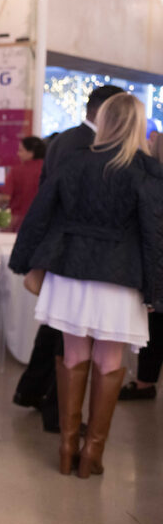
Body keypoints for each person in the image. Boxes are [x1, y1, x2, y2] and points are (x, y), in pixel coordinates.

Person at [9, 93, 163, 479]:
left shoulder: (76, 160)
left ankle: (66, 448)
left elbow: (41, 211)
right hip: (120, 275)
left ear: (105, 120)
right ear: (138, 126)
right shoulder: (145, 170)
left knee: (72, 355)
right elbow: (154, 234)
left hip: (70, 271)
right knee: (110, 362)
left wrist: (23, 259)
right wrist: (155, 290)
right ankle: (92, 455)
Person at [12, 85, 125, 432]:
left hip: (61, 247)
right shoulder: (84, 145)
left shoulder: (66, 139)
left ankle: (33, 392)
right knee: (68, 335)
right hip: (71, 251)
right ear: (105, 112)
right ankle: (55, 411)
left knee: (57, 329)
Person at [119, 132, 163, 401]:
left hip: (157, 261)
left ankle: (145, 382)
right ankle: (144, 381)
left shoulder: (150, 180)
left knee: (157, 323)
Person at [0, 136, 45, 232]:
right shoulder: (48, 170)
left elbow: (5, 197)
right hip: (42, 219)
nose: (18, 154)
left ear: (31, 153)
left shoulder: (17, 171)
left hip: (17, 220)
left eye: (21, 151)